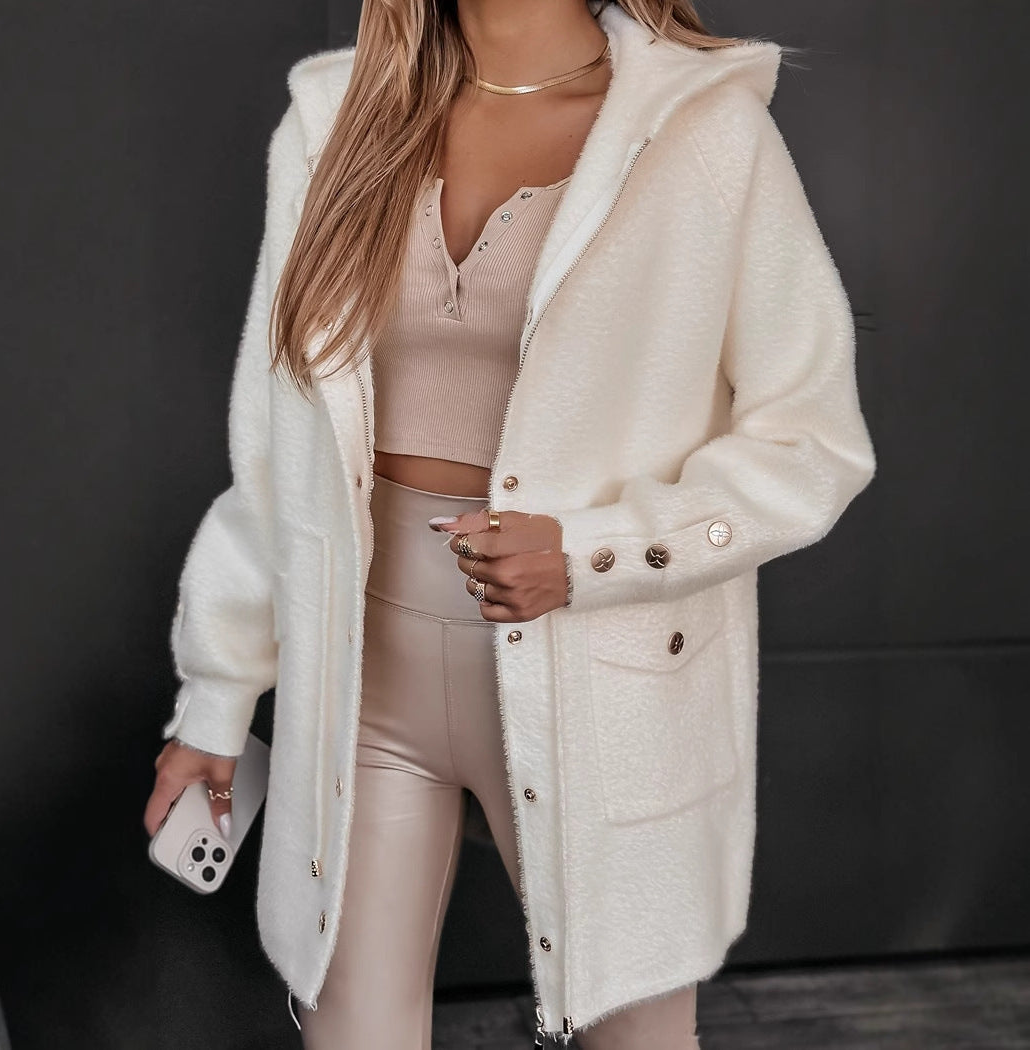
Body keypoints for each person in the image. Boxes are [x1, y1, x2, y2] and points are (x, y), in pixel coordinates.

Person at [143, 0, 876, 1047]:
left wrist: (593, 554)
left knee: (634, 1038)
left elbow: (812, 442)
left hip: (603, 683)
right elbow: (277, 462)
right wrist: (215, 704)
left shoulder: (703, 131)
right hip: (363, 684)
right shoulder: (334, 121)